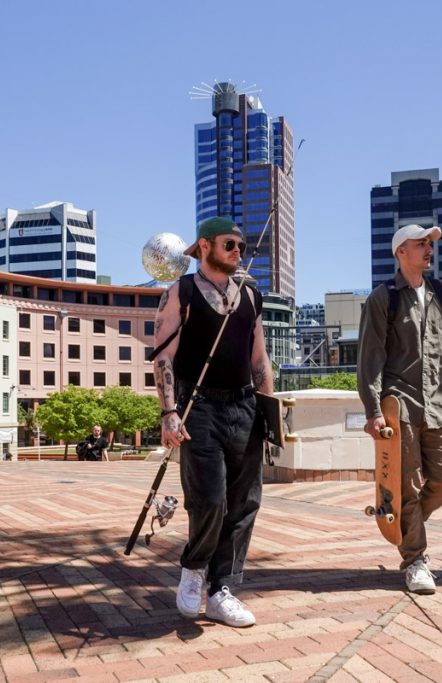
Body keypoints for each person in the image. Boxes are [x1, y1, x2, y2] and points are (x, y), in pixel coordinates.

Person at [152, 216, 273, 627]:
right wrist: (169, 413)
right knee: (210, 497)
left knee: (243, 504)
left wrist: (269, 412)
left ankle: (222, 589)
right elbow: (164, 357)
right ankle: (194, 567)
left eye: (240, 245)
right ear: (204, 247)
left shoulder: (251, 295)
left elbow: (259, 360)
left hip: (245, 407)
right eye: (229, 244)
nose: (238, 251)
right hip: (197, 407)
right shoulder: (180, 293)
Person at [357, 224, 442, 595]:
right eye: (420, 244)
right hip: (400, 406)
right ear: (401, 252)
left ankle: (405, 524)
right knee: (407, 486)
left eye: (430, 244)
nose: (429, 249)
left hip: (440, 404)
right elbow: (370, 357)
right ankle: (415, 560)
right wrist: (373, 410)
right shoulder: (384, 299)